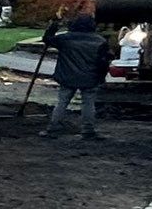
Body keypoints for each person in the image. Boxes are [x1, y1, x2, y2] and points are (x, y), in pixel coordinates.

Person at [42, 12, 110, 140]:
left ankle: (53, 128)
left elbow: (47, 39)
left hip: (67, 76)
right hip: (90, 77)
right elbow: (104, 62)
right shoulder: (100, 41)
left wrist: (54, 25)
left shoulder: (65, 39)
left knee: (62, 102)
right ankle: (88, 130)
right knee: (88, 104)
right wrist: (101, 77)